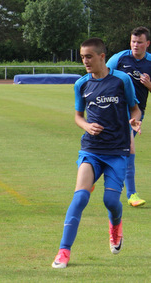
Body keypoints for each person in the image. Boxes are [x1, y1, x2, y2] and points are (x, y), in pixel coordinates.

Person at [51, 38, 142, 269]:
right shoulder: (81, 84)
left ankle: (116, 225)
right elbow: (78, 116)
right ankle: (63, 251)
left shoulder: (122, 80)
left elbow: (134, 107)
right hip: (91, 150)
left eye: (89, 56)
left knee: (111, 201)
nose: (85, 61)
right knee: (80, 197)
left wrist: (135, 120)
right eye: (82, 57)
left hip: (117, 152)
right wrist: (86, 126)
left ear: (102, 56)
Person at [106, 26, 151, 207]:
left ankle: (91, 177)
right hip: (114, 111)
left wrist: (149, 85)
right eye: (133, 41)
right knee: (125, 149)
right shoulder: (119, 58)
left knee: (124, 149)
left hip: (136, 113)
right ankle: (131, 194)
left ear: (147, 44)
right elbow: (100, 75)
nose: (135, 45)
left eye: (139, 42)